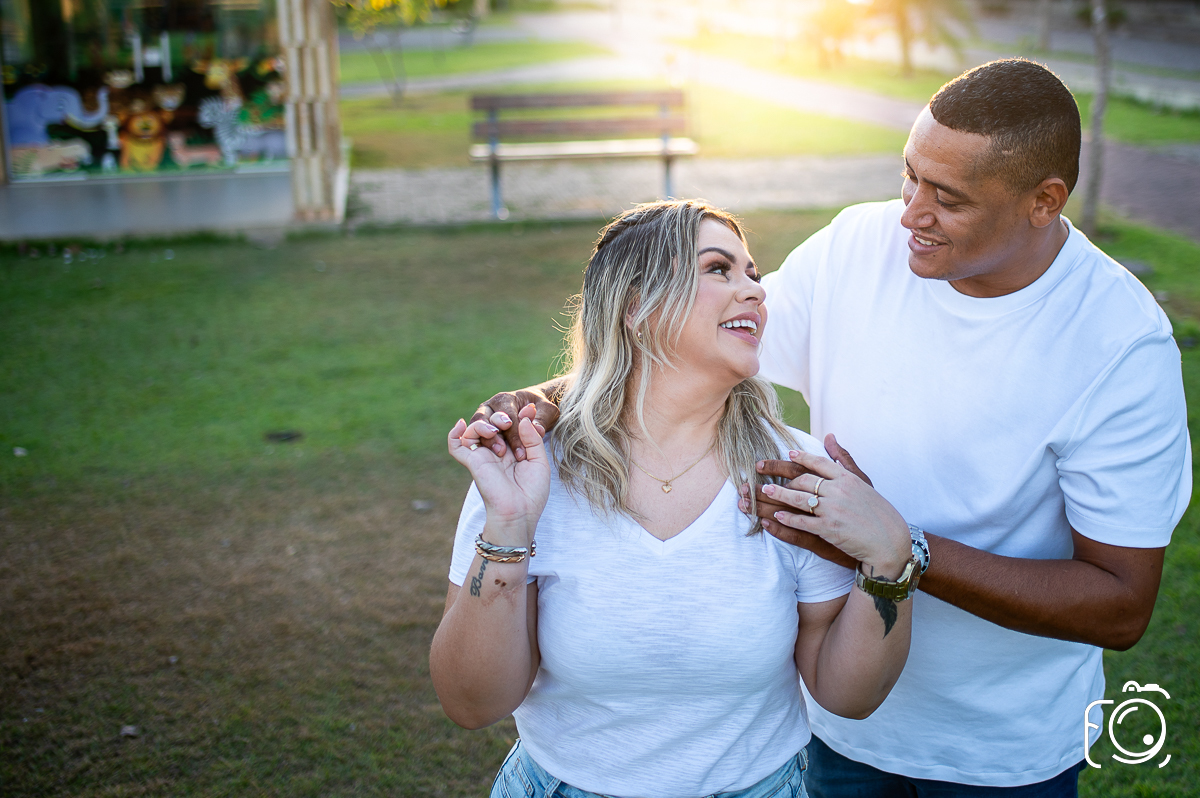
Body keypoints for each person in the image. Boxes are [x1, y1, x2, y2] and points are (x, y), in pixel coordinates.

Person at [468, 59, 1191, 796]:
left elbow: (1121, 604)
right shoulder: (862, 245)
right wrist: (545, 399)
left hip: (996, 748)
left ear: (1044, 202)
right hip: (832, 722)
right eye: (910, 175)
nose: (910, 213)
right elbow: (706, 337)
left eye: (948, 198)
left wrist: (899, 547)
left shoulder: (1119, 344)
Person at [430, 200, 921, 798]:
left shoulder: (790, 472)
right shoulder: (529, 465)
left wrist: (891, 561)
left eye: (753, 275)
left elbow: (848, 696)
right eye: (720, 269)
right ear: (637, 306)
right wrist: (509, 524)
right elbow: (472, 702)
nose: (754, 292)